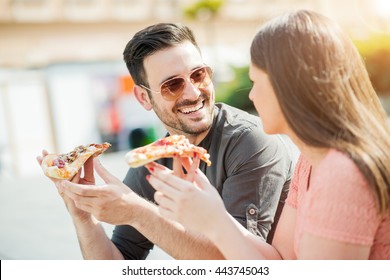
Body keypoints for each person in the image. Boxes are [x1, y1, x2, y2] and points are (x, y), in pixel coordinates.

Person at [37, 23, 298, 259]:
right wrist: (82, 215)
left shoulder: (250, 141)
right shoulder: (151, 163)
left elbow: (239, 263)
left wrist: (138, 212)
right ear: (143, 98)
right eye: (172, 85)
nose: (194, 93)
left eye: (198, 75)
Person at [146, 10, 390, 259]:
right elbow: (280, 259)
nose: (251, 96)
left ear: (288, 86)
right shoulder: (310, 163)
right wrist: (215, 214)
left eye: (255, 82)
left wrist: (214, 223)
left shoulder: (342, 174)